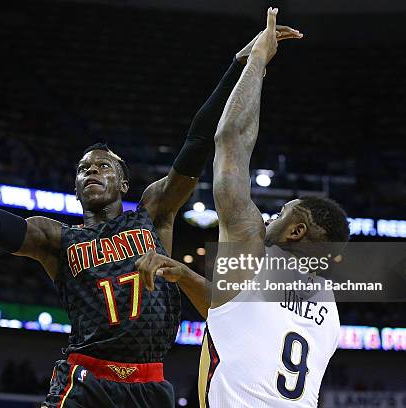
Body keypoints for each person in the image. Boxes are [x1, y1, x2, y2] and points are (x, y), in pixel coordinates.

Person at [0, 26, 300, 408]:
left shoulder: (154, 213)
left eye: (103, 167)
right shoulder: (55, 238)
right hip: (85, 381)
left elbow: (197, 139)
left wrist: (238, 66)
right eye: (83, 169)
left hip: (150, 386)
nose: (92, 171)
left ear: (123, 185)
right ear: (76, 187)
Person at [135, 8, 350, 407]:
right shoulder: (328, 307)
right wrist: (184, 276)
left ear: (297, 231)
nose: (270, 217)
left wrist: (256, 61)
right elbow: (234, 316)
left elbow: (231, 137)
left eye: (282, 212)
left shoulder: (250, 245)